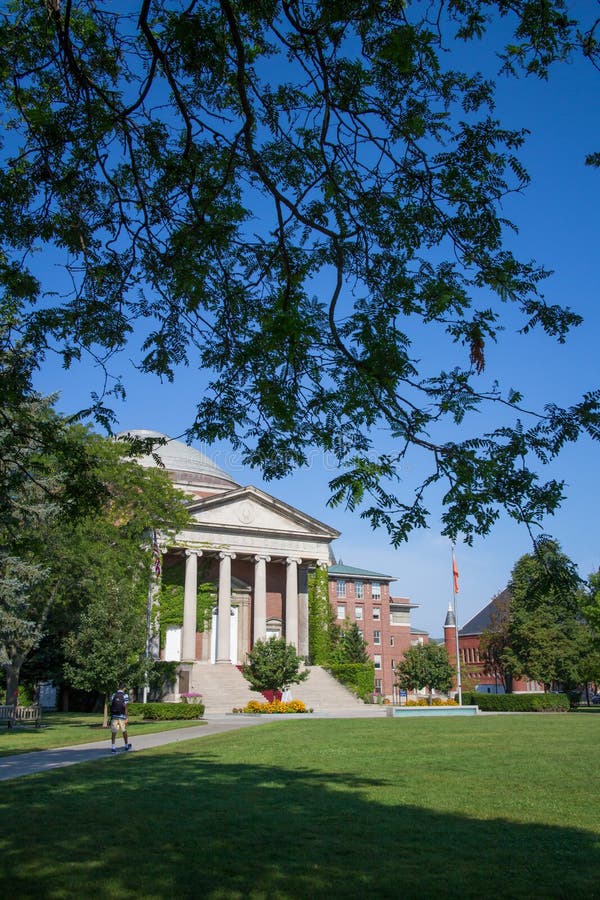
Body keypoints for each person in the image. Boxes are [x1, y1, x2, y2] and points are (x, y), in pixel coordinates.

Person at [109, 684, 132, 753]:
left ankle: (113, 747)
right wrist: (127, 717)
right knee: (124, 731)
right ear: (124, 688)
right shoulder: (125, 696)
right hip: (121, 716)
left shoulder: (113, 695)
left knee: (114, 732)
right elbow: (125, 707)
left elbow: (112, 705)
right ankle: (126, 746)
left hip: (114, 716)